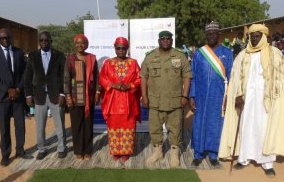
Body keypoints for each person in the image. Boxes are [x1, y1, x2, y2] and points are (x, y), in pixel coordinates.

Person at [218, 24, 284, 178]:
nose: (254, 39)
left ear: (263, 36)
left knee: (264, 128)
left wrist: (276, 95)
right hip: (247, 100)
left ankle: (267, 163)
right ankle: (244, 159)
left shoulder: (275, 54)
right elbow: (236, 78)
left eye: (257, 36)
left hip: (266, 100)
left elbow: (282, 77)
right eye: (251, 36)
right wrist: (238, 95)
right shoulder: (243, 55)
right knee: (245, 126)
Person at [141, 30, 192, 168]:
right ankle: (158, 152)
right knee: (154, 128)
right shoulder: (150, 57)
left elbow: (187, 76)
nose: (165, 40)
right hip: (155, 101)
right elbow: (143, 77)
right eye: (162, 38)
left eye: (168, 39)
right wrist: (144, 96)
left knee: (175, 128)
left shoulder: (180, 56)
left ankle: (174, 154)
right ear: (158, 41)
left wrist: (185, 95)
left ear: (171, 41)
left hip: (174, 101)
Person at [189, 22, 233, 167]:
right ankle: (198, 154)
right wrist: (192, 95)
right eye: (209, 34)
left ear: (219, 34)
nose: (212, 36)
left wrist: (229, 96)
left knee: (216, 124)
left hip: (219, 95)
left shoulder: (227, 53)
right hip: (200, 96)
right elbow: (193, 76)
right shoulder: (199, 53)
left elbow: (231, 76)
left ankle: (214, 154)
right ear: (206, 36)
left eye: (214, 33)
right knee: (199, 123)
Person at [0, 28, 29, 167]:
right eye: (2, 38)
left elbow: (25, 73)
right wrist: (8, 89)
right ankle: (5, 155)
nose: (5, 40)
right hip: (2, 96)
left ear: (11, 37)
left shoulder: (18, 52)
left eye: (7, 37)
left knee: (20, 126)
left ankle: (20, 150)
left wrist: (17, 89)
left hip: (18, 95)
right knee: (4, 128)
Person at [24, 31, 67, 160]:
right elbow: (27, 77)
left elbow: (64, 76)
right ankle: (42, 149)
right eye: (42, 40)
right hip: (39, 95)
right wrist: (28, 95)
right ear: (39, 42)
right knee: (40, 125)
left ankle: (62, 148)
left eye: (46, 40)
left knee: (59, 124)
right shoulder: (32, 56)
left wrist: (62, 93)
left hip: (56, 95)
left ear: (51, 41)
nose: (44, 42)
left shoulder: (59, 55)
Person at [99, 37, 141, 162]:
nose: (121, 50)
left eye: (123, 48)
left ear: (127, 49)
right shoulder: (108, 63)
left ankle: (126, 151)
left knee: (128, 125)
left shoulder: (133, 63)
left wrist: (130, 85)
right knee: (114, 125)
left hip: (129, 100)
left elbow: (139, 79)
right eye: (118, 48)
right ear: (115, 48)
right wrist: (112, 85)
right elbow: (102, 78)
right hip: (113, 101)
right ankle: (116, 150)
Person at [64, 34, 100, 160]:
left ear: (87, 44)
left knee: (88, 125)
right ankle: (78, 150)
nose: (80, 45)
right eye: (78, 43)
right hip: (75, 98)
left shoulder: (92, 59)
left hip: (89, 98)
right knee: (77, 125)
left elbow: (96, 78)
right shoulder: (70, 59)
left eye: (83, 43)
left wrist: (97, 93)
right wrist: (68, 96)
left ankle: (88, 150)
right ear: (75, 44)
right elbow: (66, 79)